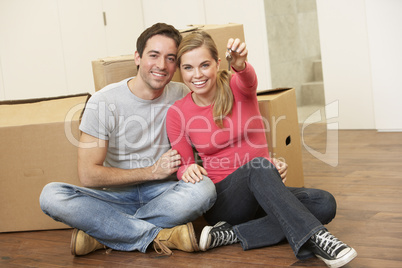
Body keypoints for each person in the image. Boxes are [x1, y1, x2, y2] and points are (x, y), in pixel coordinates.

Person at [166, 31, 357, 268]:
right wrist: (186, 170)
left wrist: (240, 64)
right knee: (260, 167)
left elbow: (247, 79)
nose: (197, 75)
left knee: (325, 203)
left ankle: (233, 234)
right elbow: (184, 164)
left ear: (217, 63)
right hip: (225, 201)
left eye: (204, 65)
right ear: (180, 71)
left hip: (265, 190)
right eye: (188, 68)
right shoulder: (177, 113)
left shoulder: (237, 88)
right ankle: (318, 238)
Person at [39, 23, 217, 257]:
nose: (162, 65)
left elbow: (217, 130)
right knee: (51, 195)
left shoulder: (183, 93)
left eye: (170, 58)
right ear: (137, 57)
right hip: (115, 196)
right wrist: (152, 171)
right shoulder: (103, 102)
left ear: (176, 65)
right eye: (153, 55)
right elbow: (88, 175)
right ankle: (160, 236)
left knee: (204, 189)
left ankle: (105, 233)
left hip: (165, 194)